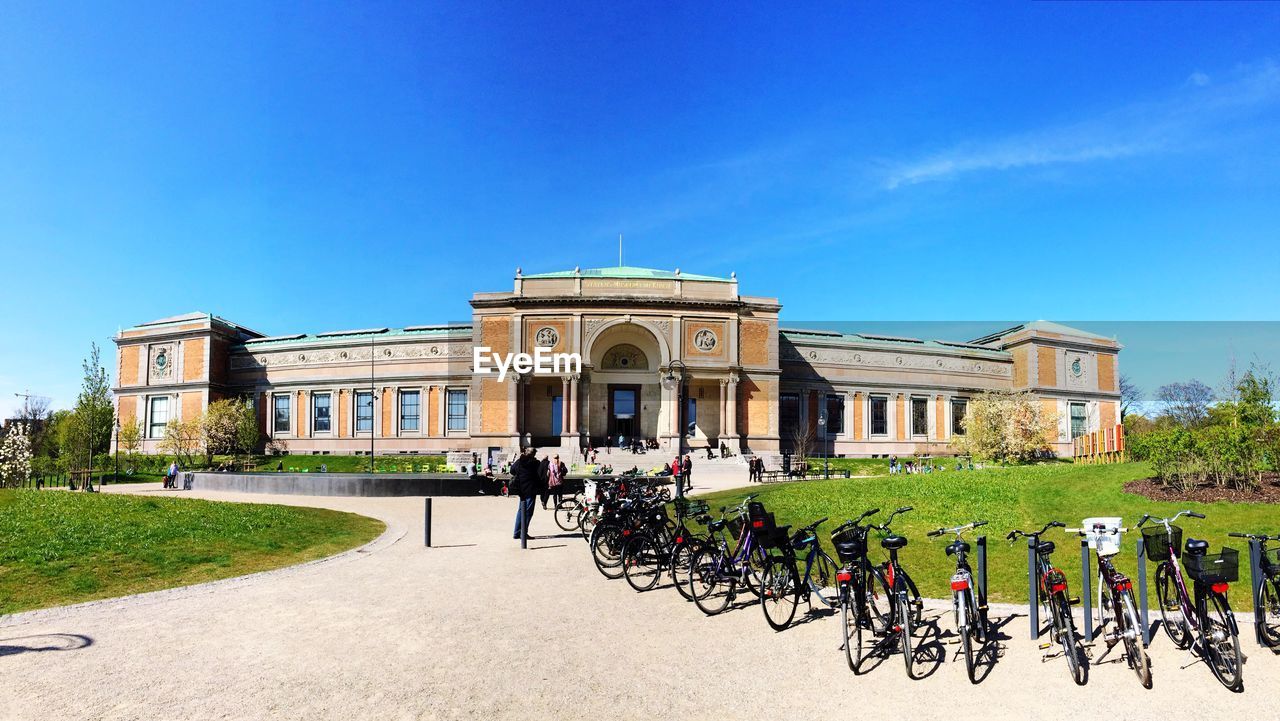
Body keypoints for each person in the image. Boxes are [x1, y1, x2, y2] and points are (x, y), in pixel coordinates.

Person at [511, 448, 540, 540]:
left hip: (520, 489)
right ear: (533, 454)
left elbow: (512, 471)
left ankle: (516, 532)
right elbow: (539, 475)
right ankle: (523, 533)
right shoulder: (535, 463)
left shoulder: (519, 461)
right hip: (530, 490)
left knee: (520, 511)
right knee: (528, 512)